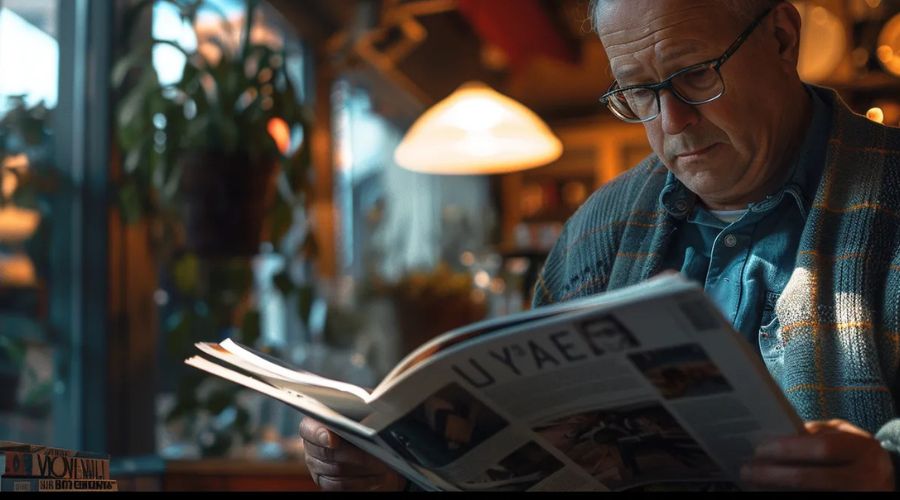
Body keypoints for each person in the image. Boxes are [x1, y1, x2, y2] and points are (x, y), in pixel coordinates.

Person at [299, 0, 900, 491]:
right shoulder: (598, 229)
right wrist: (402, 473)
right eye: (637, 93)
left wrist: (886, 469)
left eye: (695, 74)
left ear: (781, 38)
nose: (671, 122)